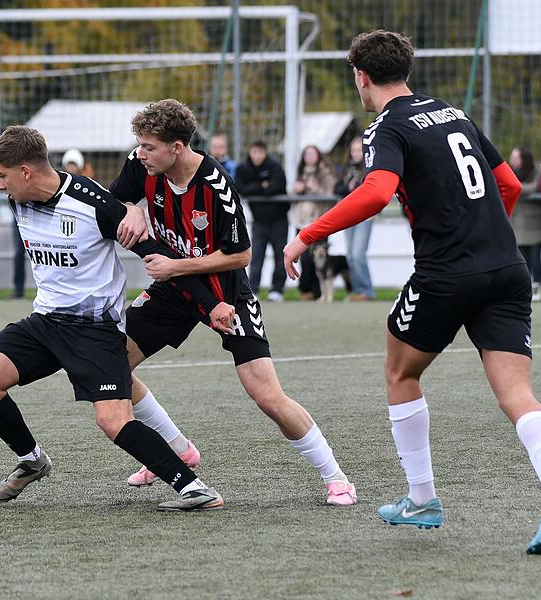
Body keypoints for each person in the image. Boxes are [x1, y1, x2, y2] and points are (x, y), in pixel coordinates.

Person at [283, 29, 541, 554]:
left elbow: (377, 191)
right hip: (506, 267)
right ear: (406, 69)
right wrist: (486, 241)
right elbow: (510, 186)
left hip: (447, 272)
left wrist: (306, 235)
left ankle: (422, 500)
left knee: (400, 370)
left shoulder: (386, 125)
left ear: (361, 76)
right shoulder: (452, 112)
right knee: (518, 396)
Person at [0, 125, 234, 511]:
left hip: (95, 330)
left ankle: (194, 488)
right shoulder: (18, 198)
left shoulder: (91, 203)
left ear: (25, 171)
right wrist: (132, 207)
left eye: (1, 176)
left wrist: (209, 303)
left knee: (112, 421)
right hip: (45, 323)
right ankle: (32, 459)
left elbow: (156, 253)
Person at [110, 99, 358, 506]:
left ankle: (336, 477)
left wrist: (178, 266)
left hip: (226, 292)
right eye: (138, 144)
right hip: (174, 290)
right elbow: (110, 201)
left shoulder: (216, 184)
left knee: (265, 394)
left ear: (177, 146)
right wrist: (129, 209)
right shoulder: (141, 167)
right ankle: (175, 449)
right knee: (113, 363)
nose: (140, 153)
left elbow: (242, 255)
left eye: (149, 146)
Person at [234, 139, 288, 301]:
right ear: (250, 152)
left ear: (265, 152)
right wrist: (261, 186)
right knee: (256, 255)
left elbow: (278, 186)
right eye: (254, 152)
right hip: (259, 221)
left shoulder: (275, 166)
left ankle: (277, 290)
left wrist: (256, 188)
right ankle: (253, 290)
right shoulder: (243, 168)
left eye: (260, 152)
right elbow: (240, 188)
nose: (257, 156)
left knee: (281, 255)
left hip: (279, 219)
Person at [290, 145, 337, 300]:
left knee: (319, 258)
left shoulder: (326, 174)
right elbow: (292, 194)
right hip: (301, 222)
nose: (309, 157)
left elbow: (330, 195)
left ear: (318, 156)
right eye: (307, 154)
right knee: (303, 257)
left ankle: (319, 292)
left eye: (312, 154)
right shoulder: (300, 173)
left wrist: (314, 188)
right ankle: (307, 290)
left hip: (319, 221)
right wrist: (295, 190)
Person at [334, 136, 376, 301]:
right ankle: (358, 290)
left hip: (365, 215)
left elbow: (367, 190)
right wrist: (348, 188)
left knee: (358, 254)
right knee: (351, 255)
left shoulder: (370, 167)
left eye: (359, 150)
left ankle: (367, 291)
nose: (356, 153)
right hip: (349, 214)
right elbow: (338, 188)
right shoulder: (346, 170)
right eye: (354, 150)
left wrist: (352, 189)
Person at [508, 147, 541, 302]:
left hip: (535, 223)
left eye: (516, 157)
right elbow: (507, 184)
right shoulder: (509, 171)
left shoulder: (537, 170)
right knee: (522, 259)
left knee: (535, 258)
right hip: (518, 223)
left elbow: (535, 187)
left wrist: (516, 187)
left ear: (524, 158)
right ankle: (526, 287)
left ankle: (537, 287)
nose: (513, 161)